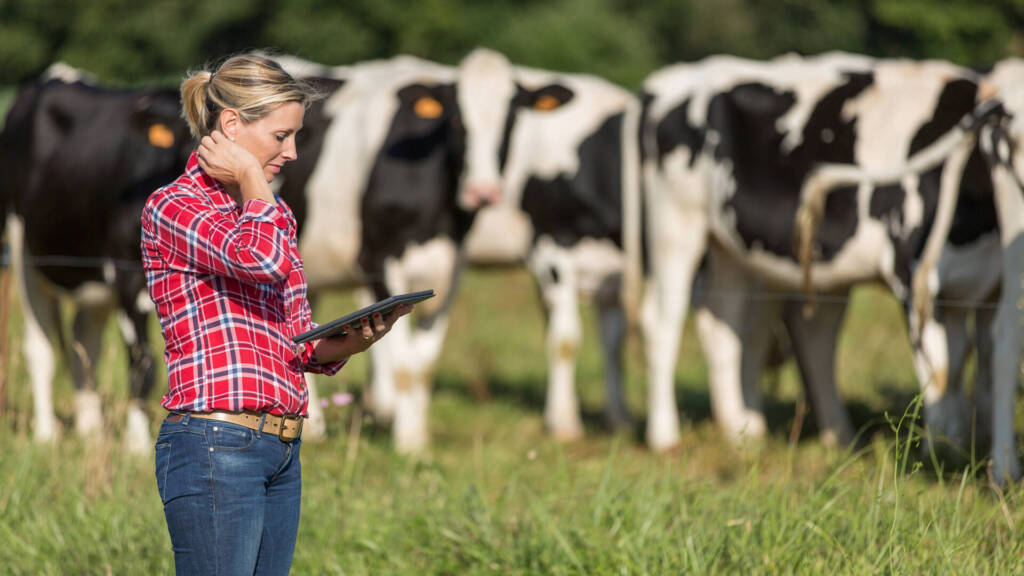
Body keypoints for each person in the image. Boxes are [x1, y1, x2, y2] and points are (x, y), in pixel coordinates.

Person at [141, 54, 408, 575]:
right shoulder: (174, 207)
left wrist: (354, 341)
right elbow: (258, 261)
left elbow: (297, 340)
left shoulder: (272, 211)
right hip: (215, 446)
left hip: (281, 445)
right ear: (232, 125)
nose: (291, 152)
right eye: (280, 136)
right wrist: (248, 175)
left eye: (295, 137)